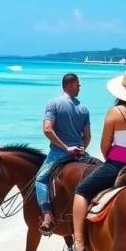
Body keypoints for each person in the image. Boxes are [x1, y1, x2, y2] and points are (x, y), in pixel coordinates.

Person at [60, 68, 126, 251]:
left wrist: (114, 160)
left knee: (81, 190)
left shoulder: (115, 112)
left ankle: (79, 245)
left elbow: (104, 147)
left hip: (119, 166)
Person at [35, 73, 91, 235]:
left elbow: (47, 129)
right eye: (77, 85)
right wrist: (81, 148)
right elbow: (87, 136)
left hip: (60, 153)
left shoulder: (53, 103)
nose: (79, 88)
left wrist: (66, 148)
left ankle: (47, 215)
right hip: (81, 154)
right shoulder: (84, 108)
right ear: (68, 85)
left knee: (41, 179)